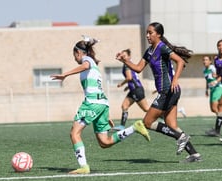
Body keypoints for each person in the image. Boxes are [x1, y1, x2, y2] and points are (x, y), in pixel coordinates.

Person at [51, 35, 150, 174]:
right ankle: (135, 127)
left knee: (74, 133)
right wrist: (105, 114)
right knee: (105, 142)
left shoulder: (87, 60)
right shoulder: (93, 65)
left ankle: (84, 167)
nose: (75, 59)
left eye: (74, 55)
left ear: (79, 53)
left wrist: (65, 75)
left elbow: (85, 64)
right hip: (101, 104)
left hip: (91, 103)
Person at [116, 22, 201, 162]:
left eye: (151, 33)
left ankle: (180, 137)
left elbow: (180, 62)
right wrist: (125, 61)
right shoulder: (149, 51)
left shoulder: (162, 48)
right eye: (147, 33)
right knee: (172, 126)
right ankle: (194, 154)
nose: (148, 35)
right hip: (167, 92)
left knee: (148, 122)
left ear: (159, 34)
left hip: (168, 91)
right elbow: (137, 68)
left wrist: (175, 80)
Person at [113, 49, 149, 131]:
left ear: (129, 57)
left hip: (136, 90)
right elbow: (133, 78)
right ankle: (122, 126)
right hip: (133, 89)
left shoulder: (127, 65)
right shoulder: (128, 64)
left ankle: (164, 116)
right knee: (124, 106)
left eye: (125, 56)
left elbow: (129, 77)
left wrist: (121, 84)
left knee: (146, 109)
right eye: (122, 56)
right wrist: (128, 87)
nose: (123, 57)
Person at [203, 55, 222, 137]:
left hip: (218, 88)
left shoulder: (213, 68)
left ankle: (217, 128)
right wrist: (206, 89)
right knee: (213, 109)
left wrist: (216, 78)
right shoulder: (204, 70)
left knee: (216, 108)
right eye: (203, 60)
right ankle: (218, 124)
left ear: (210, 61)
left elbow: (219, 75)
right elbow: (207, 80)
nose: (205, 61)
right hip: (212, 90)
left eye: (206, 60)